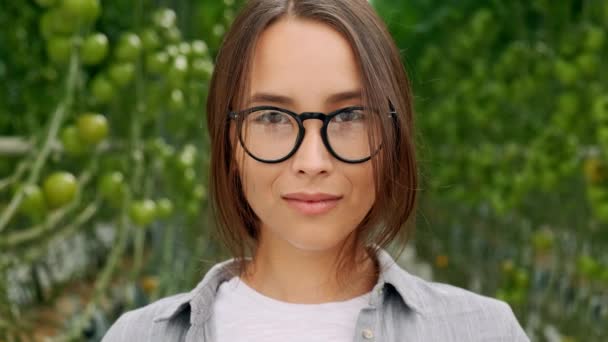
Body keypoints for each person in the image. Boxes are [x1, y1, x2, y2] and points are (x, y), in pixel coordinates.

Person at [102, 0, 530, 341]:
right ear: (229, 139)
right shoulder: (136, 336)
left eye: (349, 117)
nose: (312, 163)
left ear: (393, 134)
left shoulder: (485, 331)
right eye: (271, 117)